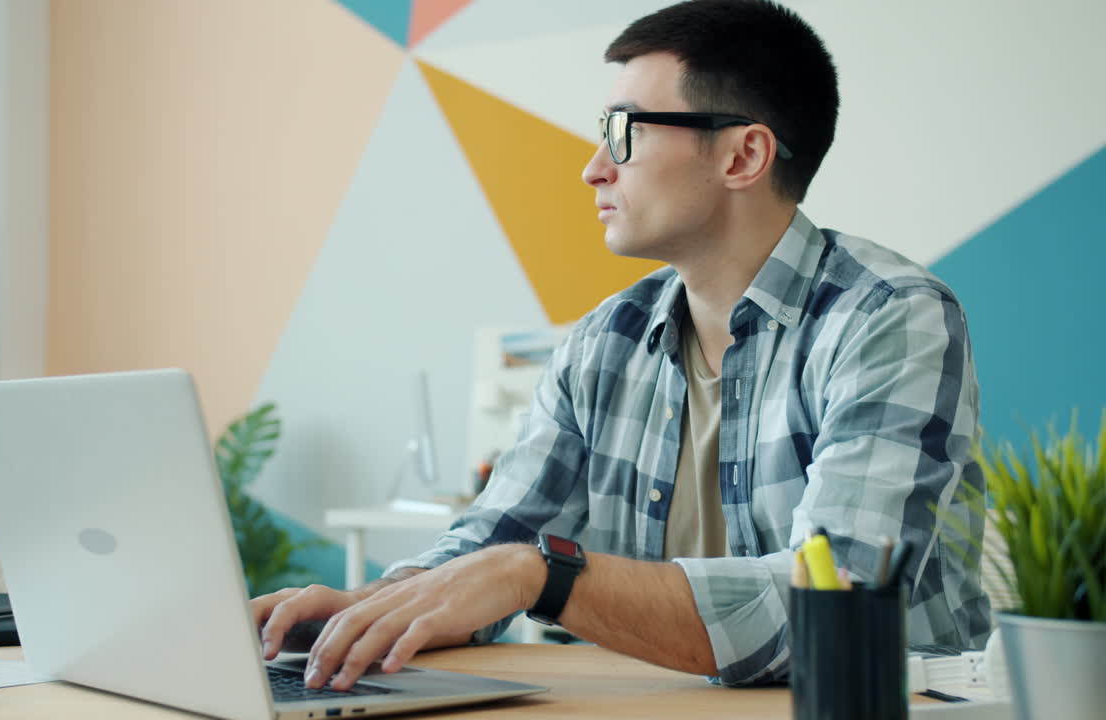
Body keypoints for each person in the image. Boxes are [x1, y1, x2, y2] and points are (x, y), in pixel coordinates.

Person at [254, 0, 989, 690]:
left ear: (742, 157)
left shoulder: (890, 319)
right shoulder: (604, 343)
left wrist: (546, 575)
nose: (593, 168)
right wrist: (362, 612)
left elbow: (839, 610)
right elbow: (492, 545)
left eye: (623, 134)